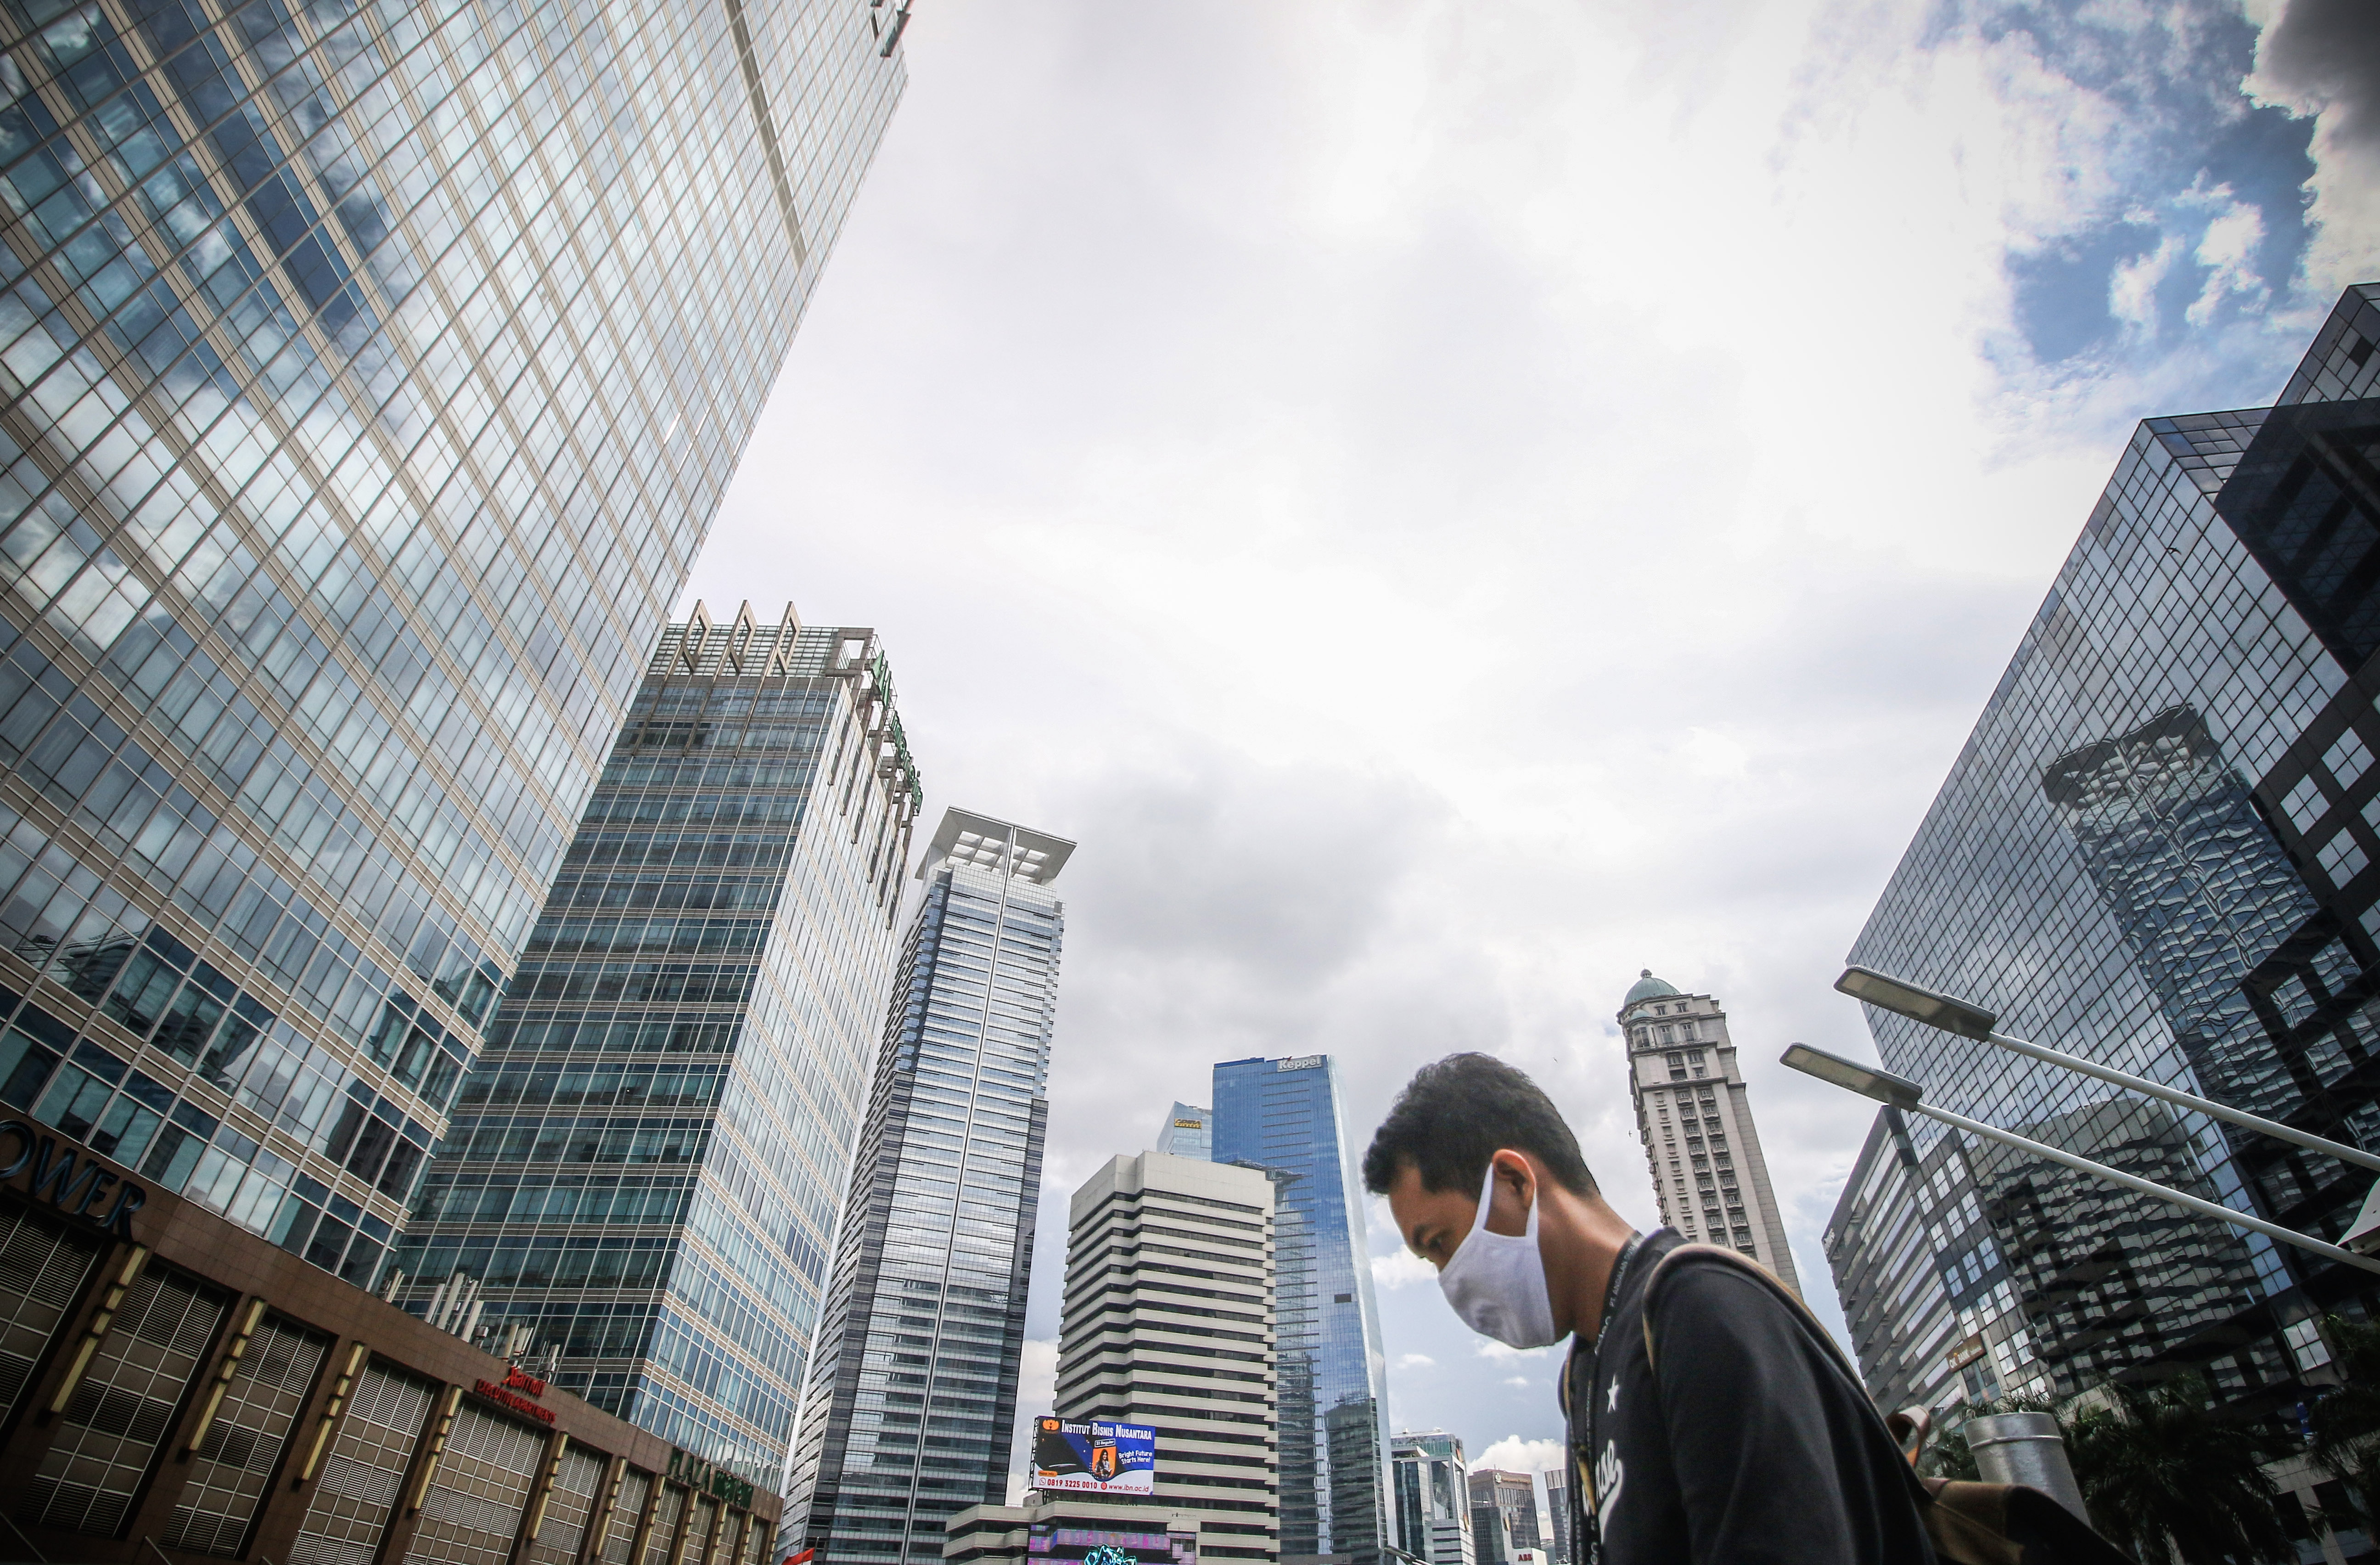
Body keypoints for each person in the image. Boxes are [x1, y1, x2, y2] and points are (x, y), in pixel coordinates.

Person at [1362, 1052, 1934, 1565]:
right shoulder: (1587, 1369)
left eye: (1439, 1243)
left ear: (1514, 1180)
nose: (1448, 1279)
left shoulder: (1698, 1310)